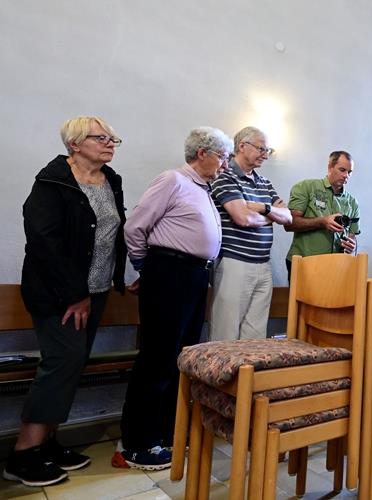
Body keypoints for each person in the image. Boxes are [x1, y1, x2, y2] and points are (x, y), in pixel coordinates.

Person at [4, 116, 127, 487]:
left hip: (97, 290)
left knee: (74, 364)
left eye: (112, 138)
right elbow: (44, 242)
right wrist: (75, 295)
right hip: (60, 295)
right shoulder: (52, 182)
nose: (110, 143)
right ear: (75, 144)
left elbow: (113, 234)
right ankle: (23, 453)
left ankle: (49, 444)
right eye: (100, 137)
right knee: (61, 363)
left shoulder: (111, 181)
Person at [114, 127, 233, 470]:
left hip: (194, 275)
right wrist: (144, 268)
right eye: (222, 158)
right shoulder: (173, 180)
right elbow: (135, 227)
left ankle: (165, 433)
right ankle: (137, 442)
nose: (224, 165)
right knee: (157, 357)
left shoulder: (203, 188)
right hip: (169, 272)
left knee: (180, 357)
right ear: (202, 153)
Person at [208, 126, 292, 341]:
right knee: (225, 333)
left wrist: (264, 209)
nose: (265, 155)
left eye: (268, 150)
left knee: (255, 335)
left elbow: (289, 217)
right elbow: (242, 218)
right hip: (235, 262)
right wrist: (273, 214)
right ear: (242, 146)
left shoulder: (264, 182)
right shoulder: (224, 176)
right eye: (261, 149)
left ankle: (246, 376)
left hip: (263, 264)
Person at [284, 150, 360, 277]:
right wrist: (322, 222)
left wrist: (351, 246)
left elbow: (352, 236)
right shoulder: (306, 187)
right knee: (300, 298)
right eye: (342, 170)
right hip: (304, 263)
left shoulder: (352, 202)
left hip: (335, 268)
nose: (346, 175)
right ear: (330, 167)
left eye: (349, 172)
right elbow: (289, 224)